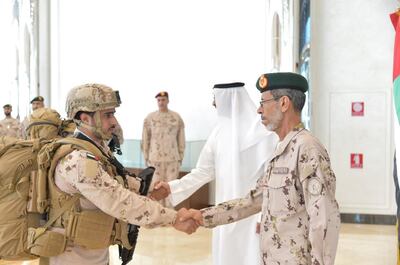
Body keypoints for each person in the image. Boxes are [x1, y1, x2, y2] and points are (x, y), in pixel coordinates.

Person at [190, 72, 341, 265]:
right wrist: (202, 216)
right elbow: (253, 200)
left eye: (264, 102)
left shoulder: (307, 149)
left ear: (284, 103)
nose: (259, 110)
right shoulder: (281, 149)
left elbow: (325, 218)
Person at [46, 84, 198, 265]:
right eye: (107, 115)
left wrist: (149, 188)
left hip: (93, 252)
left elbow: (117, 178)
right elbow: (119, 200)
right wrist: (174, 218)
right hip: (72, 257)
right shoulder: (78, 160)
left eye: (113, 114)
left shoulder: (96, 150)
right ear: (86, 118)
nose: (114, 122)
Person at [151, 82, 278, 265]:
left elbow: (272, 182)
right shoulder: (219, 133)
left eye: (216, 101)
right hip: (223, 212)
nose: (213, 105)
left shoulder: (265, 134)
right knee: (227, 255)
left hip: (253, 214)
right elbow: (203, 171)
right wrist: (171, 187)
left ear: (230, 101)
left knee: (252, 255)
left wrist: (262, 216)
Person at [141, 91, 185, 207]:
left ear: (168, 100)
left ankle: (170, 214)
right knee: (155, 186)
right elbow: (146, 138)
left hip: (172, 157)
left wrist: (181, 155)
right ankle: (157, 213)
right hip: (155, 157)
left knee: (171, 186)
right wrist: (146, 155)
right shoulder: (150, 118)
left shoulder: (176, 117)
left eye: (163, 100)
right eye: (159, 100)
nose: (161, 102)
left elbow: (181, 138)